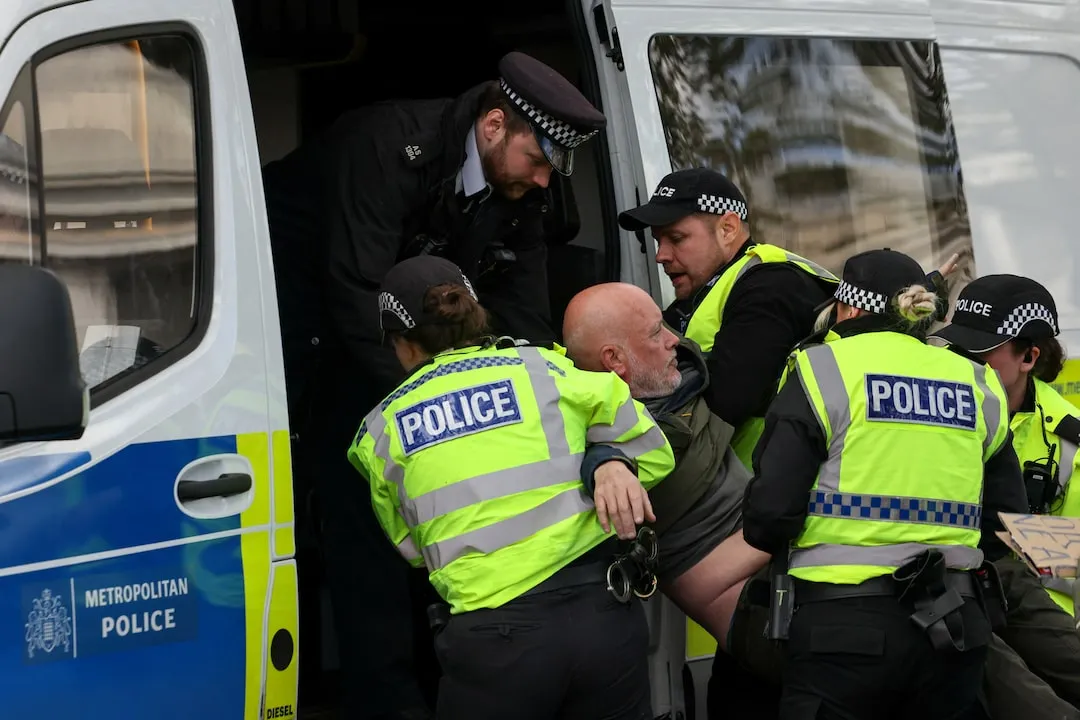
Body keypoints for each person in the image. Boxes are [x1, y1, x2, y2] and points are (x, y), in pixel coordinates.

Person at [265, 51, 606, 718]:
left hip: (405, 342)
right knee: (359, 529)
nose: (544, 183)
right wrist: (443, 398)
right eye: (538, 161)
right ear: (494, 125)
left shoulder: (522, 189)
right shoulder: (386, 148)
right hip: (310, 322)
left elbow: (528, 318)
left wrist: (520, 403)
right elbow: (355, 292)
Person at [347, 255, 676, 720]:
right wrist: (606, 460)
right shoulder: (546, 370)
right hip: (602, 624)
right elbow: (656, 453)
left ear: (403, 345)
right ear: (476, 315)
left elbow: (413, 549)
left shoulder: (378, 433)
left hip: (494, 647)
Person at [741, 248, 1027, 719]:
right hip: (954, 626)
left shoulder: (822, 368)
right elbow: (1006, 522)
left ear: (849, 308)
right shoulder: (976, 380)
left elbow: (770, 515)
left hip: (843, 632)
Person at [562, 282, 771, 648]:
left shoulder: (682, 377)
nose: (674, 339)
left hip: (773, 544)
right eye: (657, 332)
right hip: (753, 595)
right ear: (614, 360)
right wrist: (605, 461)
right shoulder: (592, 442)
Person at [617, 167, 839, 470]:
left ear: (728, 229)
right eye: (658, 241)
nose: (661, 255)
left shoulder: (771, 286)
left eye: (676, 238)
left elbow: (725, 402)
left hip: (775, 498)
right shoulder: (705, 289)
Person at [930, 274, 1080, 708]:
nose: (962, 361)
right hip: (949, 599)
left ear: (1029, 357)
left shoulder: (1069, 441)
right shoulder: (936, 410)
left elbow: (1074, 564)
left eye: (979, 352)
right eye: (956, 346)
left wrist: (1021, 536)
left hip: (1041, 621)